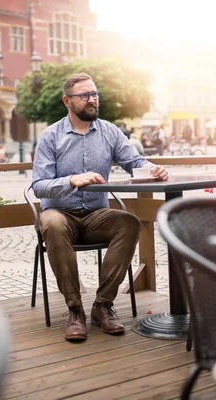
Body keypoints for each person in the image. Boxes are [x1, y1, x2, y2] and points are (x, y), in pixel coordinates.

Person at [31, 72, 168, 341]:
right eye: (84, 95)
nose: (92, 99)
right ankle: (74, 310)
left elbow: (135, 161)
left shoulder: (109, 131)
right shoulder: (50, 136)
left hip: (96, 216)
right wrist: (72, 180)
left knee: (129, 223)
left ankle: (102, 305)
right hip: (60, 214)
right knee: (53, 223)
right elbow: (39, 185)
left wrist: (155, 170)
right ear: (67, 101)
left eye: (94, 94)